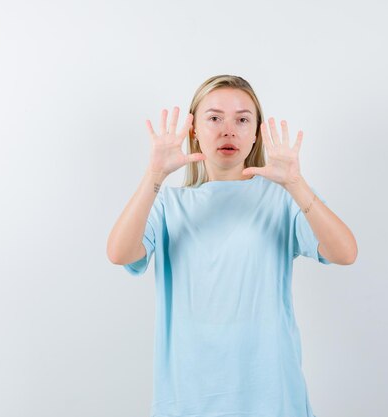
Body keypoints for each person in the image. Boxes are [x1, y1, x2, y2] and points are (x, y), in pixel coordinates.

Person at [106, 75, 357, 417]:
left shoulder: (281, 199)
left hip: (272, 399)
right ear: (193, 129)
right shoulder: (169, 205)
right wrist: (154, 175)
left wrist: (296, 184)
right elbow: (119, 253)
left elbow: (345, 253)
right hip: (189, 399)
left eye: (242, 119)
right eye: (214, 118)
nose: (228, 130)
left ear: (255, 133)